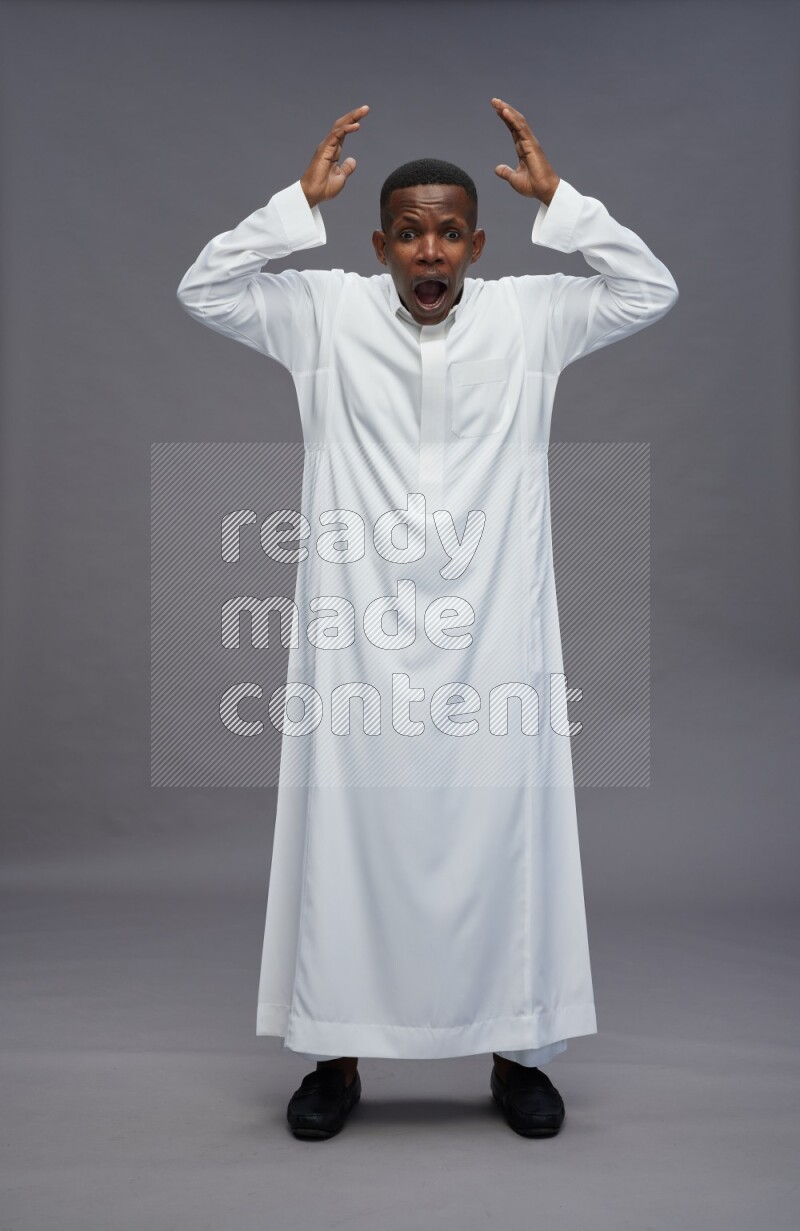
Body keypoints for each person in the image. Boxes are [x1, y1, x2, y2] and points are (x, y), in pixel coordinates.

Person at [176, 97, 678, 1140]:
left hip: (497, 636)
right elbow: (204, 288)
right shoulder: (321, 313)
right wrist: (290, 210)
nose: (429, 248)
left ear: (478, 243)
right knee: (345, 841)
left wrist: (564, 205)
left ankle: (519, 1050)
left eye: (448, 229)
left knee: (508, 835)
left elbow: (647, 288)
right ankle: (333, 1052)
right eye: (407, 230)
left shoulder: (530, 318)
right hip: (353, 642)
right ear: (379, 244)